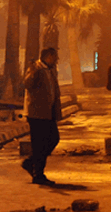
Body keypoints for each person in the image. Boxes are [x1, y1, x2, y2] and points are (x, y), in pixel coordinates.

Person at [22, 47, 61, 186]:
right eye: (55, 56)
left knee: (53, 139)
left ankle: (31, 162)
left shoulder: (49, 70)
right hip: (37, 115)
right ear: (48, 56)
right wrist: (32, 70)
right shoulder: (36, 68)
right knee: (39, 145)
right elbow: (27, 84)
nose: (56, 59)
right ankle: (38, 174)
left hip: (48, 114)